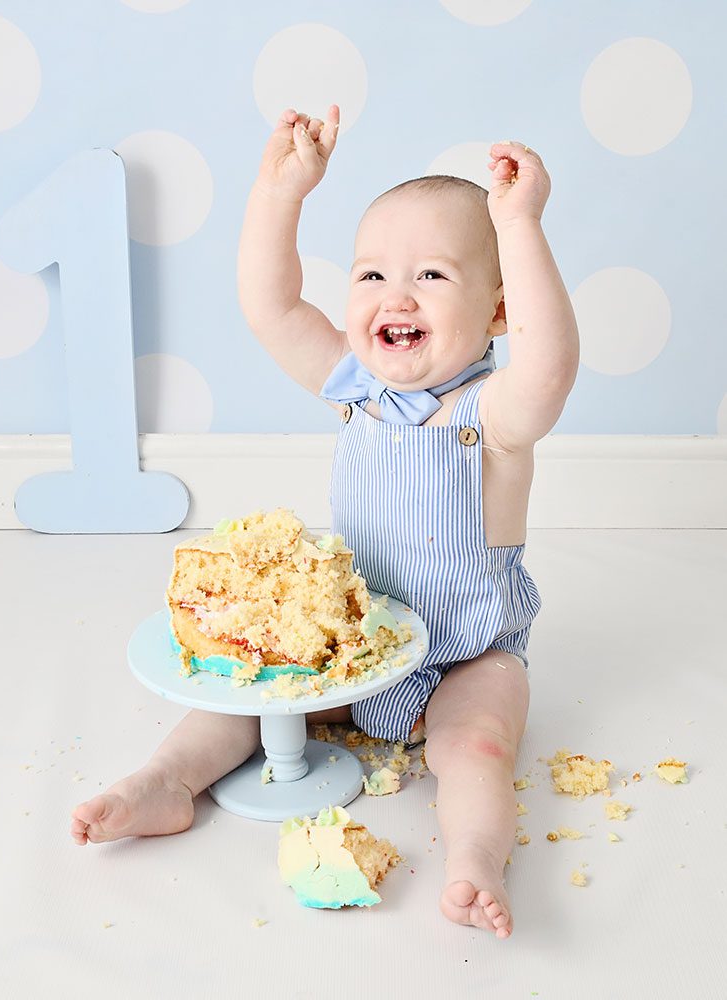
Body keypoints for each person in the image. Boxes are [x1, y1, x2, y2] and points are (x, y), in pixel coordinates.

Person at [71, 104, 579, 940]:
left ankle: (476, 856)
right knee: (242, 700)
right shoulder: (357, 391)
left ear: (496, 313)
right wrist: (282, 192)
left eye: (434, 276)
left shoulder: (492, 414)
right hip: (358, 645)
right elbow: (270, 306)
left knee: (478, 745)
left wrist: (517, 226)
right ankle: (165, 782)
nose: (395, 294)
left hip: (468, 652)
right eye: (371, 275)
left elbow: (551, 366)